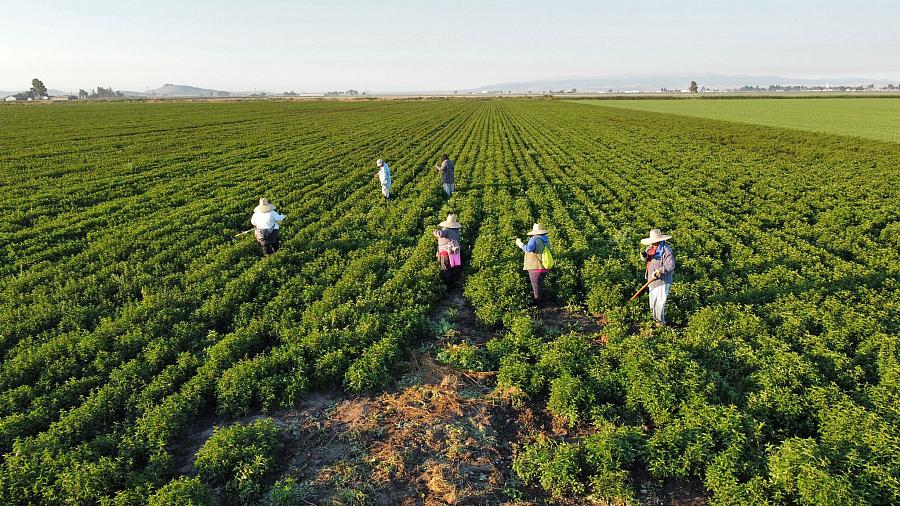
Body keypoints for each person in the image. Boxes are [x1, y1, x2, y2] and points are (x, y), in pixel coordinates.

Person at [640, 228, 675, 326]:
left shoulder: (666, 250)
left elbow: (670, 265)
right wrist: (644, 256)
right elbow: (646, 259)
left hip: (661, 281)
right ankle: (655, 321)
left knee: (659, 303)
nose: (654, 243)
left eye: (655, 241)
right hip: (651, 281)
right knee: (652, 303)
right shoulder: (650, 248)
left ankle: (660, 324)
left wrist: (659, 271)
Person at [515, 223, 552, 305]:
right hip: (544, 267)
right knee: (539, 286)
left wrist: (519, 244)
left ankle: (538, 307)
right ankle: (542, 303)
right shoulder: (546, 240)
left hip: (535, 267)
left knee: (536, 288)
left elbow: (528, 249)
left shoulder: (534, 239)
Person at [432, 214, 462, 288]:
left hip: (445, 253)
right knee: (453, 268)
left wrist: (436, 232)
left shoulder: (446, 230)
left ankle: (448, 287)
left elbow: (440, 234)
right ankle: (455, 283)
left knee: (446, 269)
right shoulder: (457, 232)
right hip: (455, 253)